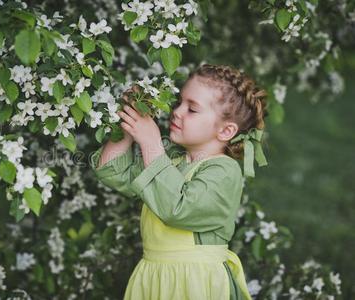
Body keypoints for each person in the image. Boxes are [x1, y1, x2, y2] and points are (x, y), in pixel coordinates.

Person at [90, 63, 269, 299]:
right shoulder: (172, 159)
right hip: (154, 275)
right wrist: (129, 124)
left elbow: (179, 208)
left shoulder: (224, 171)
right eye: (179, 103)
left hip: (195, 282)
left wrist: (151, 144)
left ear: (226, 131)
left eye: (192, 109)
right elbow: (110, 170)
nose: (177, 111)